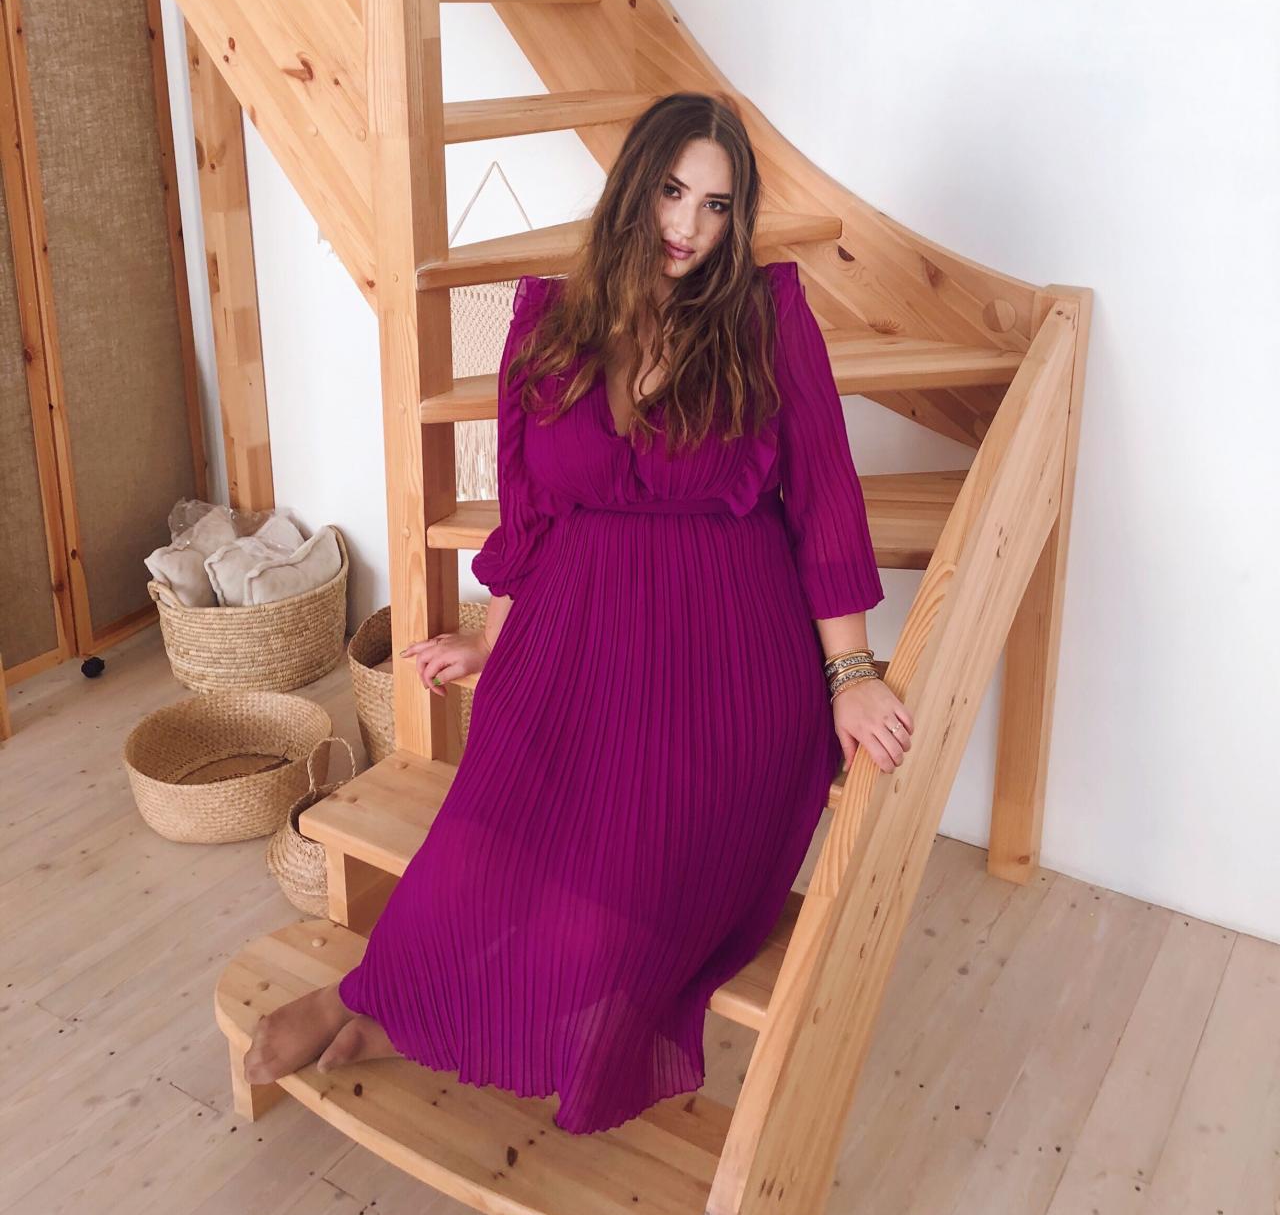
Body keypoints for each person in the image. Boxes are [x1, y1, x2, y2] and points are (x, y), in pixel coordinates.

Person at [243, 90, 914, 1133]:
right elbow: (532, 513)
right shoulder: (548, 326)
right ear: (633, 187)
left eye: (717, 206)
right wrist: (489, 635)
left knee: (614, 891)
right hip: (574, 633)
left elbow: (825, 501)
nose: (689, 226)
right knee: (486, 834)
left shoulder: (764, 315)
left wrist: (851, 673)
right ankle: (378, 995)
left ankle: (437, 1010)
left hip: (724, 659)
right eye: (672, 192)